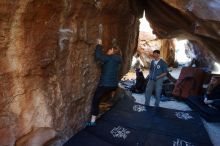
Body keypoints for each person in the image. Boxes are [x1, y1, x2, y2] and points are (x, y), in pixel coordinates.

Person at [87, 39, 122, 126]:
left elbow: (98, 55)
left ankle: (92, 121)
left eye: (109, 50)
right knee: (104, 97)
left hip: (105, 85)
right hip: (113, 85)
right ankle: (109, 102)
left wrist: (99, 45)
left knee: (95, 100)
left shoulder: (109, 58)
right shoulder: (118, 59)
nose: (108, 50)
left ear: (113, 51)